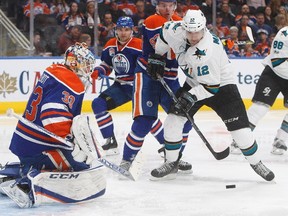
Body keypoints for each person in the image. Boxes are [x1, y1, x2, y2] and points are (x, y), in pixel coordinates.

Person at [148, 9, 275, 181]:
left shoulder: (208, 50)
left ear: (204, 29)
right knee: (173, 121)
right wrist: (158, 56)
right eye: (190, 32)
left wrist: (191, 96)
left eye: (197, 32)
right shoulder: (174, 29)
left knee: (241, 134)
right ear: (183, 28)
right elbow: (163, 36)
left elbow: (211, 87)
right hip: (194, 83)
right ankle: (172, 162)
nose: (193, 37)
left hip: (222, 87)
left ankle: (256, 162)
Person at [0, 42, 106, 208]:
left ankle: (13, 172)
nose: (88, 69)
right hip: (39, 144)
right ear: (74, 63)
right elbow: (52, 115)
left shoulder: (54, 71)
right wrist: (70, 140)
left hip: (25, 140)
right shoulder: (72, 82)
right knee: (80, 161)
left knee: (75, 156)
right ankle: (28, 182)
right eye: (85, 64)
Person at [118, 0, 193, 177]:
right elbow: (152, 50)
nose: (167, 9)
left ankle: (173, 157)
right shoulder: (152, 21)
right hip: (147, 76)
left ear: (175, 6)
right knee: (144, 121)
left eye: (170, 5)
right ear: (157, 6)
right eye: (163, 5)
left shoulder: (182, 23)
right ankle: (127, 160)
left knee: (185, 120)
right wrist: (155, 59)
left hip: (171, 77)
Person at [91, 16, 164, 156]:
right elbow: (107, 65)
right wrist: (99, 71)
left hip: (140, 86)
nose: (123, 33)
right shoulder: (110, 45)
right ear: (115, 30)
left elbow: (149, 66)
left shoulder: (139, 45)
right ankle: (110, 140)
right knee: (98, 104)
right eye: (120, 29)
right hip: (121, 87)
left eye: (126, 30)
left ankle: (166, 144)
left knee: (146, 117)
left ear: (132, 31)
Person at [231, 26, 288, 155]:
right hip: (274, 74)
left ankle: (281, 140)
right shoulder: (285, 33)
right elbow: (277, 62)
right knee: (259, 108)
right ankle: (241, 140)